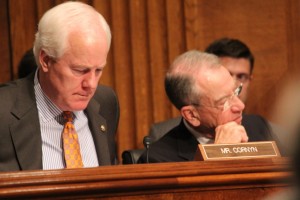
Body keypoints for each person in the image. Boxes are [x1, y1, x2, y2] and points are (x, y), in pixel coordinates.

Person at [0, 1, 119, 171]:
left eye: (98, 70)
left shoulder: (106, 102)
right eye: (80, 70)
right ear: (46, 60)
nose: (91, 84)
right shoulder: (3, 112)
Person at [138, 50, 277, 163]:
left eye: (236, 92)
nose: (240, 105)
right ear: (192, 115)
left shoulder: (258, 126)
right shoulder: (158, 160)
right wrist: (220, 153)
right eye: (223, 102)